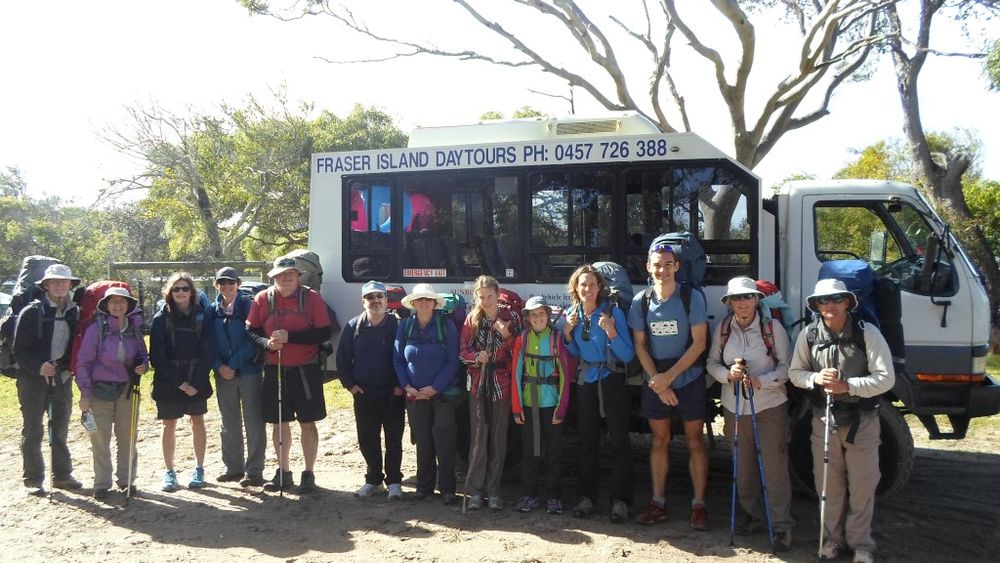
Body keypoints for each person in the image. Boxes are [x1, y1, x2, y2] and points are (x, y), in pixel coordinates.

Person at [789, 279, 894, 563]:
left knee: (862, 485)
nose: (830, 305)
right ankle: (831, 541)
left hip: (863, 420)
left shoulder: (866, 333)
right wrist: (815, 378)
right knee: (827, 487)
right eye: (824, 301)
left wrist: (848, 386)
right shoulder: (808, 335)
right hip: (824, 420)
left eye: (837, 299)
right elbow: (795, 372)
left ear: (848, 301)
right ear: (816, 306)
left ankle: (861, 545)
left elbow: (886, 378)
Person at [706, 277, 794, 550]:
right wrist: (727, 374)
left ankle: (781, 526)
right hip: (734, 407)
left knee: (773, 466)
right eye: (737, 298)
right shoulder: (722, 329)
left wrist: (761, 381)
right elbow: (711, 363)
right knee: (742, 466)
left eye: (748, 297)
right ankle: (751, 516)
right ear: (729, 303)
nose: (742, 303)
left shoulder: (772, 328)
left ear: (756, 300)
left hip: (769, 405)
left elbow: (787, 368)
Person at [628, 242, 710, 530]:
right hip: (657, 380)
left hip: (688, 378)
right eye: (656, 265)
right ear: (648, 267)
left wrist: (669, 378)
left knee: (695, 442)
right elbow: (640, 346)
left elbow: (699, 344)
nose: (662, 269)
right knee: (659, 442)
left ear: (676, 267)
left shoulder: (692, 297)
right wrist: (658, 383)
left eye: (667, 264)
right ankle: (658, 502)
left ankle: (698, 505)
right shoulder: (641, 301)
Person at [247, 256, 332, 494]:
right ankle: (283, 472)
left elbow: (324, 332)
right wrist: (266, 343)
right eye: (282, 275)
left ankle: (308, 473)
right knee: (279, 421)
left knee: (307, 421)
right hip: (275, 368)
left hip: (306, 369)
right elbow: (251, 330)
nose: (286, 278)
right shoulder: (262, 299)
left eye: (291, 274)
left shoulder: (311, 298)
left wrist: (290, 338)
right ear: (273, 277)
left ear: (298, 276)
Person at [560, 264, 635, 522]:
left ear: (599, 287)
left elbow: (627, 354)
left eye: (592, 284)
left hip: (611, 380)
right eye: (583, 285)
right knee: (586, 442)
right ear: (576, 288)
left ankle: (621, 500)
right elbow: (573, 354)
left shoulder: (612, 313)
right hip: (586, 382)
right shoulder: (572, 315)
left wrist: (612, 331)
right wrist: (568, 334)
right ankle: (586, 498)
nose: (588, 289)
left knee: (619, 443)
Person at [12, 264, 83, 496]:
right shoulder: (32, 312)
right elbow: (19, 351)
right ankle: (33, 479)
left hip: (62, 378)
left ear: (71, 285)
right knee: (33, 429)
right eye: (55, 282)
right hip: (32, 380)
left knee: (59, 427)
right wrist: (39, 366)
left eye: (64, 282)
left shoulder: (75, 312)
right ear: (46, 285)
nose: (60, 285)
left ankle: (62, 475)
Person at [74, 287, 148, 500]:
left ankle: (126, 480)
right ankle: (102, 483)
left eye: (122, 301)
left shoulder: (133, 329)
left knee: (128, 438)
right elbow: (83, 363)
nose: (117, 305)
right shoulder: (95, 330)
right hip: (98, 393)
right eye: (113, 301)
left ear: (128, 305)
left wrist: (143, 365)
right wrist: (85, 393)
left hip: (127, 392)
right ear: (106, 305)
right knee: (99, 439)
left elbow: (143, 355)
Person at [336, 280, 405, 500]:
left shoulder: (398, 326)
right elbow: (343, 360)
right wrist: (351, 386)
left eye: (379, 297)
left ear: (386, 300)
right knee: (367, 438)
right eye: (370, 297)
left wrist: (400, 386)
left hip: (392, 395)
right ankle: (373, 479)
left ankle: (394, 481)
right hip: (364, 394)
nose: (375, 301)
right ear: (363, 301)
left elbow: (406, 358)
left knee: (394, 439)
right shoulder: (353, 326)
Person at [393, 283, 460, 504]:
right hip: (414, 395)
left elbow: (453, 361)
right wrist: (407, 386)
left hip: (442, 395)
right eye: (419, 299)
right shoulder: (405, 326)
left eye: (428, 300)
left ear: (434, 303)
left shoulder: (446, 325)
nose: (423, 303)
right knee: (422, 440)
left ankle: (448, 489)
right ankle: (424, 487)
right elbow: (398, 359)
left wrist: (434, 388)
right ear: (413, 303)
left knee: (444, 441)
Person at [150, 272, 215, 492]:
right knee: (169, 425)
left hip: (197, 377)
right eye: (176, 289)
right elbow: (156, 356)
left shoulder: (203, 316)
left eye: (185, 288)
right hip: (169, 381)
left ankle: (199, 468)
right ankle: (169, 472)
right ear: (170, 292)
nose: (180, 292)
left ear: (192, 292)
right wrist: (180, 383)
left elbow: (209, 351)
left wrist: (196, 382)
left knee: (198, 421)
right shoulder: (160, 319)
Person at [459, 275, 518, 511]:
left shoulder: (510, 318)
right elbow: (462, 351)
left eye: (490, 296)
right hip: (478, 385)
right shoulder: (471, 319)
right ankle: (475, 492)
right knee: (478, 440)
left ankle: (494, 492)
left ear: (497, 294)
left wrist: (507, 336)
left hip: (501, 386)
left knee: (498, 440)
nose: (486, 301)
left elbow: (520, 350)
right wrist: (476, 357)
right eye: (481, 297)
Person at [510, 295, 573, 515]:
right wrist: (517, 407)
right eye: (533, 314)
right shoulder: (523, 339)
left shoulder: (556, 339)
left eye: (541, 314)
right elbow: (516, 373)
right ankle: (529, 495)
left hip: (551, 405)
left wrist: (561, 408)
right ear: (527, 318)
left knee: (553, 453)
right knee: (530, 453)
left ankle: (554, 497)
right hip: (529, 404)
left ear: (547, 315)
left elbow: (565, 374)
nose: (537, 318)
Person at [208, 267, 266, 488]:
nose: (226, 286)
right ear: (217, 285)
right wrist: (219, 366)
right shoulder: (213, 310)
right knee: (228, 422)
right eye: (222, 283)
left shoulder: (248, 306)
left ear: (238, 283)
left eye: (230, 282)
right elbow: (208, 342)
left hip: (249, 372)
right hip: (223, 374)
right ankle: (233, 468)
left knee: (253, 422)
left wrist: (232, 365)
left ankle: (254, 471)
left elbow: (254, 339)